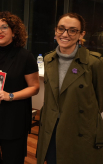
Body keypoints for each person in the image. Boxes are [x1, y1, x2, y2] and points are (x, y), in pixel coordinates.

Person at [36, 13, 103, 164]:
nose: (65, 34)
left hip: (79, 128)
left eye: (72, 30)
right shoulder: (48, 59)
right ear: (55, 31)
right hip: (52, 127)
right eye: (61, 29)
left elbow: (100, 101)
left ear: (81, 34)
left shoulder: (94, 62)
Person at [0, 11, 40, 164]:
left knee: (12, 160)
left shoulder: (25, 56)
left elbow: (35, 87)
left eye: (4, 27)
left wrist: (10, 96)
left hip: (13, 120)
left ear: (14, 31)